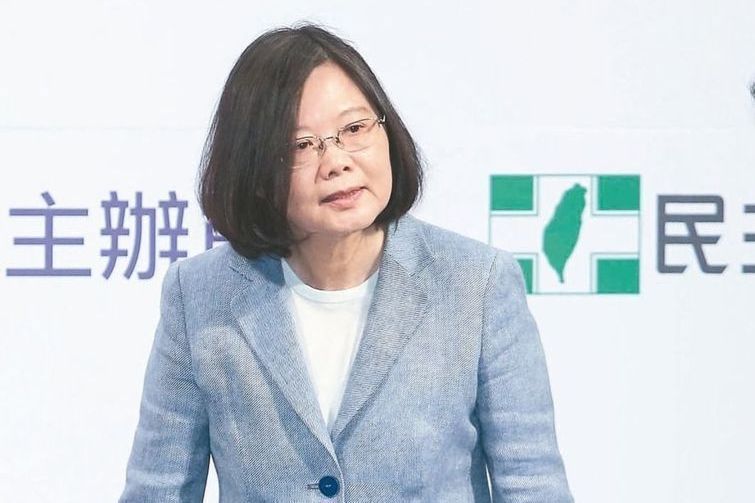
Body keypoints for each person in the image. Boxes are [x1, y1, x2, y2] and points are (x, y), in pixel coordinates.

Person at [119, 22, 574, 502]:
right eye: (301, 145)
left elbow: (534, 487)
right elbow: (157, 492)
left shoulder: (476, 286)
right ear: (254, 170)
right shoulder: (199, 295)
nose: (336, 161)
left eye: (354, 129)